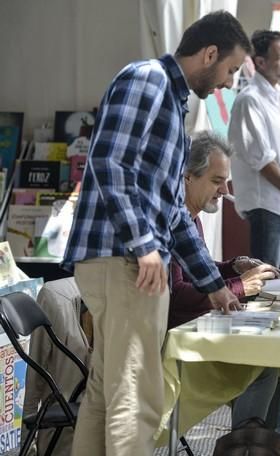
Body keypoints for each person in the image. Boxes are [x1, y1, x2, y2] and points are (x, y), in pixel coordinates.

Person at [61, 11, 250, 455]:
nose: (227, 82)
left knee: (108, 395)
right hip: (125, 261)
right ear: (209, 54)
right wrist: (145, 245)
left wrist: (213, 285)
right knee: (137, 397)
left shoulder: (169, 96)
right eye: (230, 69)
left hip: (125, 260)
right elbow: (109, 163)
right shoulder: (148, 80)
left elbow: (173, 212)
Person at [228, 29, 280, 438]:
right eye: (279, 57)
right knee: (265, 299)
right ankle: (251, 426)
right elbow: (262, 158)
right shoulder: (249, 99)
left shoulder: (278, 98)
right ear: (257, 61)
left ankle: (273, 423)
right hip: (268, 206)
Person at [167, 131, 280, 426]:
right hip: (175, 347)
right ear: (188, 177)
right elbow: (177, 296)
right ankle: (249, 445)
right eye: (217, 181)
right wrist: (240, 287)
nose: (225, 190)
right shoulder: (175, 220)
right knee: (266, 367)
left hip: (192, 335)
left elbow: (200, 271)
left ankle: (266, 443)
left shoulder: (190, 217)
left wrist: (234, 268)